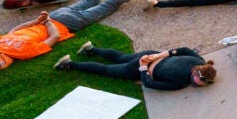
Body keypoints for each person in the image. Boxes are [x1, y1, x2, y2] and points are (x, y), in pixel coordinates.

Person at [0, 0, 161, 89]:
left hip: (65, 23)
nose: (3, 65)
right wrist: (38, 20)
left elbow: (52, 38)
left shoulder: (23, 53)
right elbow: (16, 29)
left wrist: (46, 23)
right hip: (57, 15)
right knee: (90, 0)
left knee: (108, 6)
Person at [55, 42, 216, 90]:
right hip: (145, 63)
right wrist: (143, 68)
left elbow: (183, 49)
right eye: (202, 80)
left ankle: (91, 49)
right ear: (197, 73)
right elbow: (150, 83)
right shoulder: (180, 82)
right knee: (107, 70)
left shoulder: (199, 60)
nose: (202, 84)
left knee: (121, 57)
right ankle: (69, 64)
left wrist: (158, 55)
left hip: (150, 55)